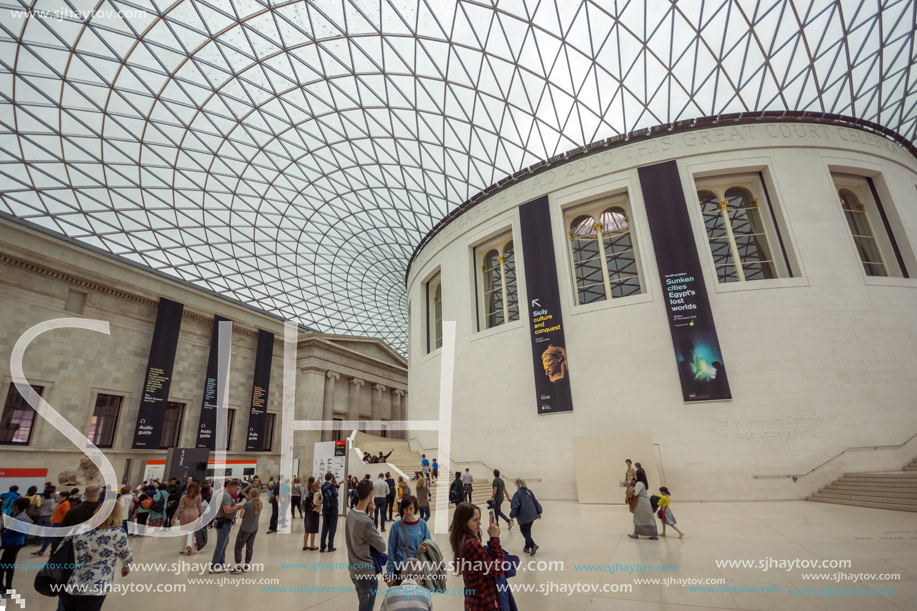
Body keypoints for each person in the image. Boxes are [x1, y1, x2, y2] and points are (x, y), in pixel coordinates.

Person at [57, 502, 132, 611]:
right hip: (97, 583)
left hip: (71, 581)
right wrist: (126, 566)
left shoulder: (79, 528)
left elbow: (60, 548)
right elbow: (126, 555)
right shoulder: (117, 532)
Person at [449, 502, 505, 611]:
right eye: (475, 520)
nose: (479, 523)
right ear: (464, 522)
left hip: (474, 601)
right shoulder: (471, 545)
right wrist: (495, 539)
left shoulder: (461, 539)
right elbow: (498, 570)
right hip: (484, 603)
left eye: (479, 519)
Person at [345, 479, 386, 611]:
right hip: (366, 573)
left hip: (354, 569)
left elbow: (362, 534)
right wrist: (371, 518)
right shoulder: (366, 522)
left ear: (358, 494)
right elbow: (381, 546)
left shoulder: (350, 514)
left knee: (363, 605)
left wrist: (371, 514)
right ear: (371, 495)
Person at [385, 495, 431, 585]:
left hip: (417, 570)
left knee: (416, 597)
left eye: (411, 508)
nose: (409, 512)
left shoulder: (422, 524)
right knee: (401, 597)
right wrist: (390, 574)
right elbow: (391, 550)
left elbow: (429, 543)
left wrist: (425, 548)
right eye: (406, 509)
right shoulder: (396, 526)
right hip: (401, 570)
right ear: (402, 509)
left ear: (415, 508)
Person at [0, 498, 32, 597]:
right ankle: (5, 588)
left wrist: (4, 542)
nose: (12, 506)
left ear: (17, 506)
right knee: (5, 565)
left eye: (13, 505)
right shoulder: (19, 515)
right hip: (13, 544)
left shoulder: (19, 518)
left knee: (7, 566)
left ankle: (8, 590)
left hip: (13, 544)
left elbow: (18, 534)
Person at [209, 480, 243, 573]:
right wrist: (237, 507)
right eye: (236, 489)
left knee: (224, 543)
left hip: (222, 522)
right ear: (232, 487)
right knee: (220, 544)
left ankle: (221, 563)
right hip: (223, 522)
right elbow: (227, 510)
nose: (235, 491)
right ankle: (214, 566)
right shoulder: (226, 495)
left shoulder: (223, 494)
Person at [509, 478, 542, 556]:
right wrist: (538, 512)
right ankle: (526, 547)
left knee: (524, 531)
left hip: (523, 516)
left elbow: (515, 506)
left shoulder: (517, 494)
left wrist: (511, 515)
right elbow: (535, 501)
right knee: (528, 531)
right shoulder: (529, 492)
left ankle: (533, 545)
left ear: (517, 485)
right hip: (532, 515)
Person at [231, 489, 261, 573]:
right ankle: (247, 564)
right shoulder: (260, 504)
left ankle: (238, 565)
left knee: (238, 546)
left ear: (250, 495)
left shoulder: (247, 504)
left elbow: (241, 516)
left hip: (245, 528)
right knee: (249, 546)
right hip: (254, 527)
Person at [172, 481, 203, 555]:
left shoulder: (184, 496)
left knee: (183, 531)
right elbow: (199, 507)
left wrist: (173, 518)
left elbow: (179, 508)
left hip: (185, 514)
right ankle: (189, 545)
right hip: (194, 514)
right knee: (191, 531)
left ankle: (182, 549)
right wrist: (202, 516)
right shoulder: (198, 496)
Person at [35, 490, 69, 556]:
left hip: (59, 523)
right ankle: (43, 550)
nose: (59, 497)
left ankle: (43, 550)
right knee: (51, 537)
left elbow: (66, 514)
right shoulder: (61, 503)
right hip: (56, 522)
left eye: (60, 496)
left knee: (50, 537)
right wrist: (53, 516)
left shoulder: (65, 504)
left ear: (64, 497)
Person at [626, 470, 658, 540]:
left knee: (638, 517)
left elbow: (635, 493)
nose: (634, 476)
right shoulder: (643, 483)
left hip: (641, 503)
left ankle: (635, 534)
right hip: (645, 502)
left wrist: (629, 487)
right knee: (648, 518)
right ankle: (653, 534)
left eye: (635, 475)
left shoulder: (639, 483)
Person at [320, 472, 339, 552]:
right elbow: (334, 495)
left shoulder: (323, 486)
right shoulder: (331, 486)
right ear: (331, 477)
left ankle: (322, 546)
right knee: (332, 527)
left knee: (324, 527)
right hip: (333, 509)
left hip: (325, 508)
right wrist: (337, 492)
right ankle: (330, 546)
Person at [302, 479, 320, 551]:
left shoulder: (310, 493)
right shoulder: (317, 493)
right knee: (313, 529)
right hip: (314, 512)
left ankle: (305, 545)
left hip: (308, 512)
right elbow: (315, 502)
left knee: (307, 529)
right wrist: (321, 502)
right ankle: (312, 545)